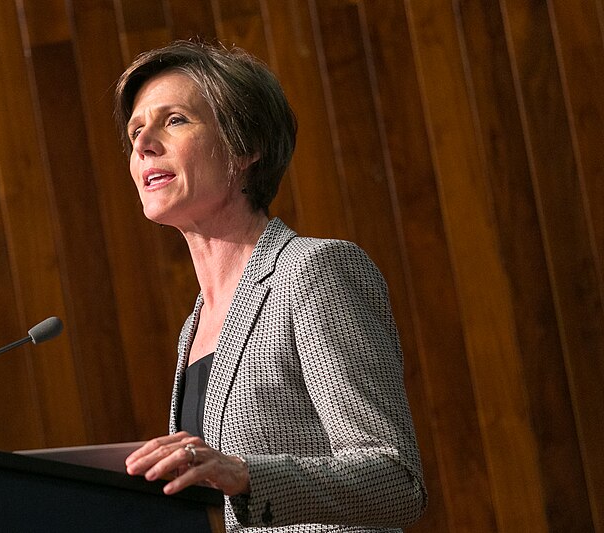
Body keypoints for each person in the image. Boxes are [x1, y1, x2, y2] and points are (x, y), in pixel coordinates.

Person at [114, 40, 427, 532]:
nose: (143, 143)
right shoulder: (193, 328)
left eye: (174, 120)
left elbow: (397, 481)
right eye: (136, 129)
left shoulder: (313, 271)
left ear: (244, 148)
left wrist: (243, 475)